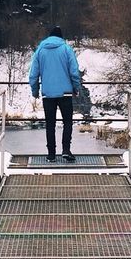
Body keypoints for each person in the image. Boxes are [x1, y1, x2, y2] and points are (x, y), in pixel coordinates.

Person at [28, 25, 81, 163]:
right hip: (65, 93)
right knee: (67, 122)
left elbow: (33, 74)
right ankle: (66, 150)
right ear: (61, 37)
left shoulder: (40, 51)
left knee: (50, 124)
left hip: (48, 94)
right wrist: (76, 87)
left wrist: (35, 91)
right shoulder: (66, 49)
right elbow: (74, 71)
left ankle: (51, 154)